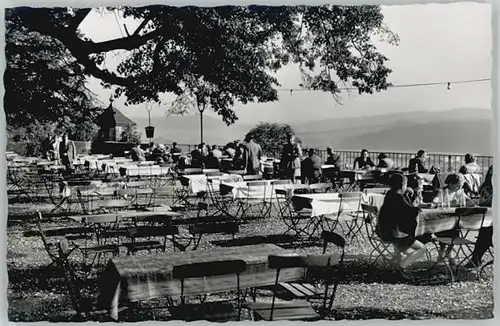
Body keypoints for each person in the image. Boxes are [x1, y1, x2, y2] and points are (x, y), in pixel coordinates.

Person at [377, 173, 428, 269]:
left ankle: (398, 259)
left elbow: (405, 209)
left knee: (411, 243)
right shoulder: (399, 198)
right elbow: (410, 212)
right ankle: (400, 268)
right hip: (395, 235)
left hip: (384, 232)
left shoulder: (389, 195)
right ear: (403, 186)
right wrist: (418, 208)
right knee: (422, 248)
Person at [432, 173, 475, 263]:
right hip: (442, 221)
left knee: (455, 231)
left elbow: (471, 203)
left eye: (461, 186)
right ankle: (442, 251)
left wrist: (467, 201)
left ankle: (449, 251)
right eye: (457, 185)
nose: (459, 187)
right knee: (445, 235)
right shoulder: (443, 191)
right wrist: (440, 202)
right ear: (450, 183)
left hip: (455, 221)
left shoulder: (459, 192)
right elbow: (435, 201)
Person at [465, 165, 493, 268]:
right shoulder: (486, 187)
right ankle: (476, 259)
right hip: (489, 218)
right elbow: (482, 202)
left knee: (486, 232)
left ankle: (475, 259)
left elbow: (483, 203)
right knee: (486, 231)